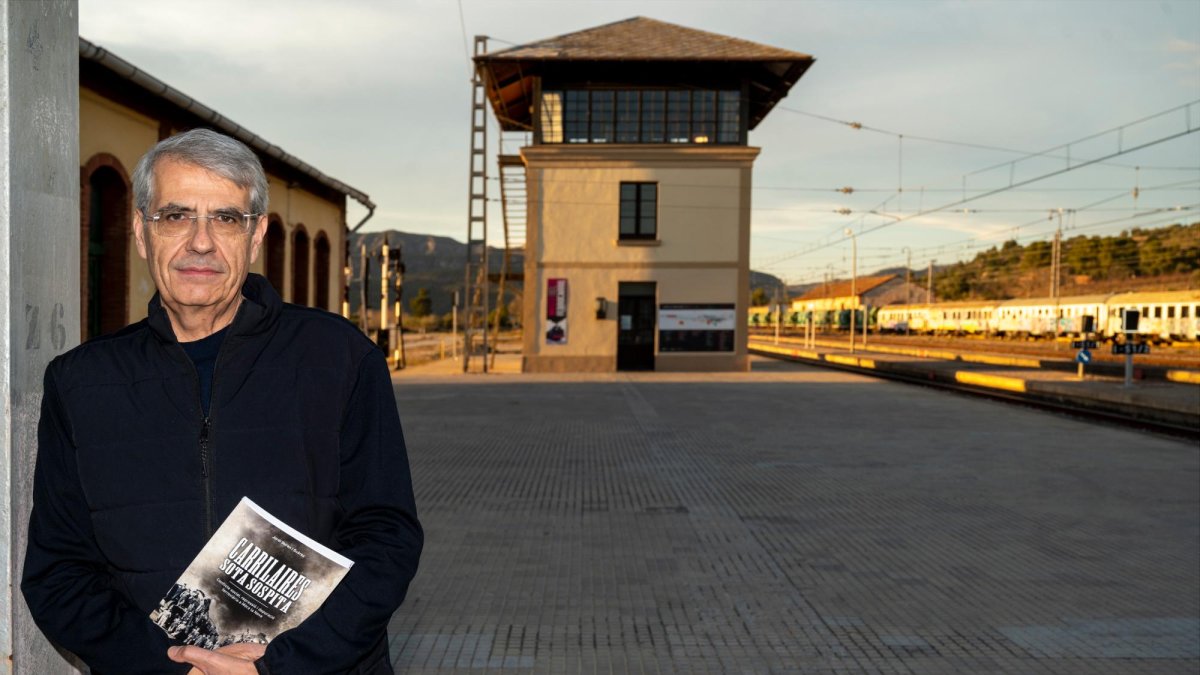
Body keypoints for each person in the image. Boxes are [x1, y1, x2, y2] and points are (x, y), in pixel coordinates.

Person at [21, 128, 422, 674]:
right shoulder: (81, 383)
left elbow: (386, 540)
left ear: (255, 236)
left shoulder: (340, 359)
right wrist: (176, 668)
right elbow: (59, 574)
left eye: (226, 218)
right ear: (142, 232)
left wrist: (275, 667)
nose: (201, 242)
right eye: (176, 216)